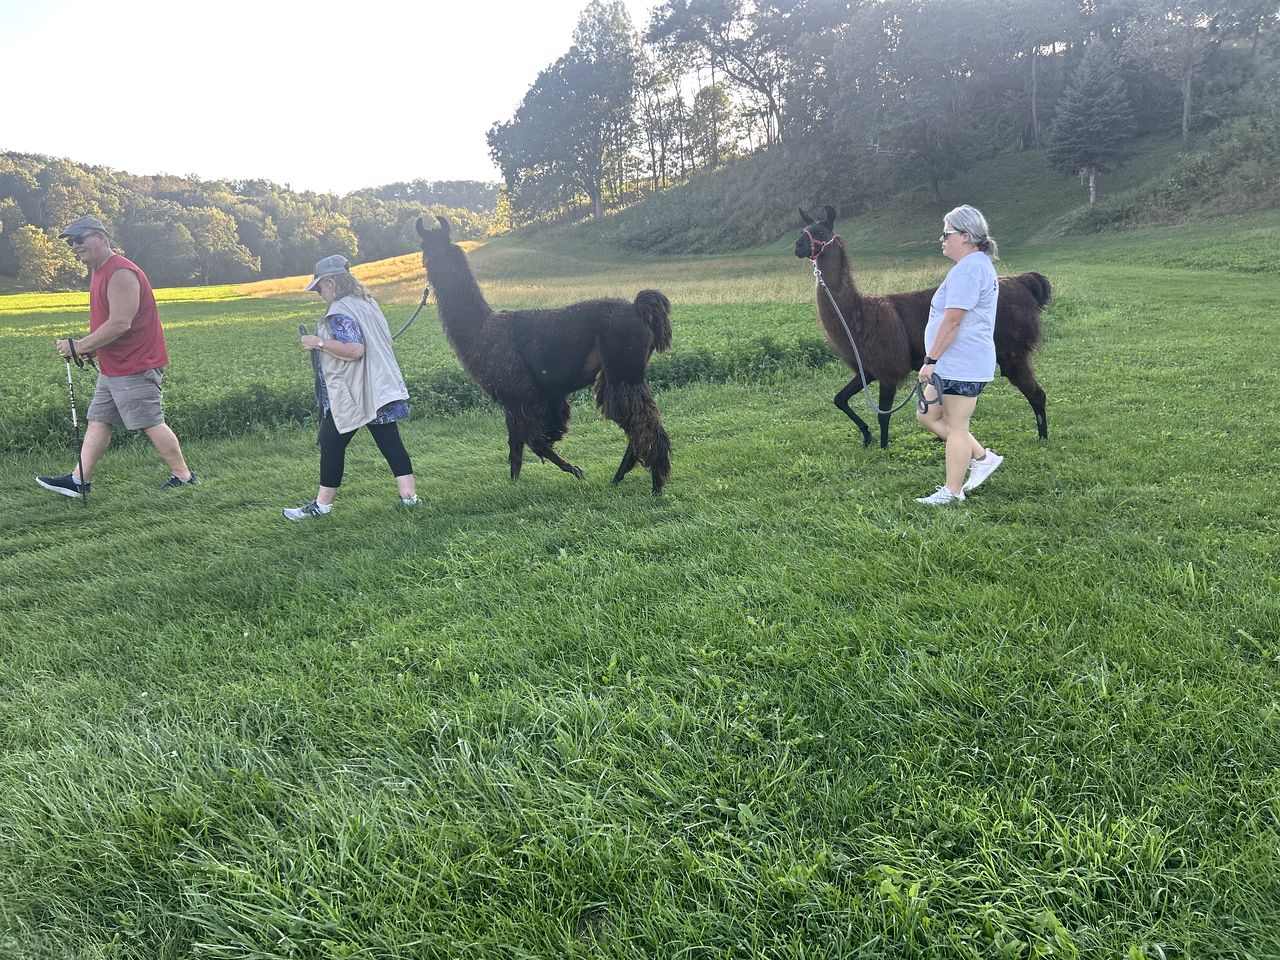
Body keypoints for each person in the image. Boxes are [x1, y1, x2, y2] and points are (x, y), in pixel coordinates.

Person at [37, 215, 197, 499]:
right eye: (71, 242)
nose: (75, 246)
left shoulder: (121, 272)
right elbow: (109, 323)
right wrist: (93, 349)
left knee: (150, 422)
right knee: (98, 419)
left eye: (79, 239)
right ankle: (79, 481)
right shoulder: (98, 271)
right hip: (114, 365)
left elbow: (121, 322)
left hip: (135, 364)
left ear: (101, 237)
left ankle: (183, 476)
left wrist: (80, 346)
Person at [284, 255, 418, 520]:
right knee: (390, 440)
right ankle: (410, 499)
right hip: (380, 386)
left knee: (330, 441)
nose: (319, 294)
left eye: (319, 288)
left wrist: (318, 343)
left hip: (356, 391)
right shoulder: (366, 303)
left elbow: (355, 350)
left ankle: (321, 506)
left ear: (331, 282)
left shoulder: (340, 311)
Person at [914, 205, 1005, 505]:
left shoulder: (970, 270)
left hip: (962, 364)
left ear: (965, 236)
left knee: (956, 427)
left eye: (946, 233)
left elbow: (953, 321)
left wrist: (930, 360)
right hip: (951, 363)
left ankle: (952, 491)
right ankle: (983, 458)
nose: (942, 239)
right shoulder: (971, 265)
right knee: (927, 415)